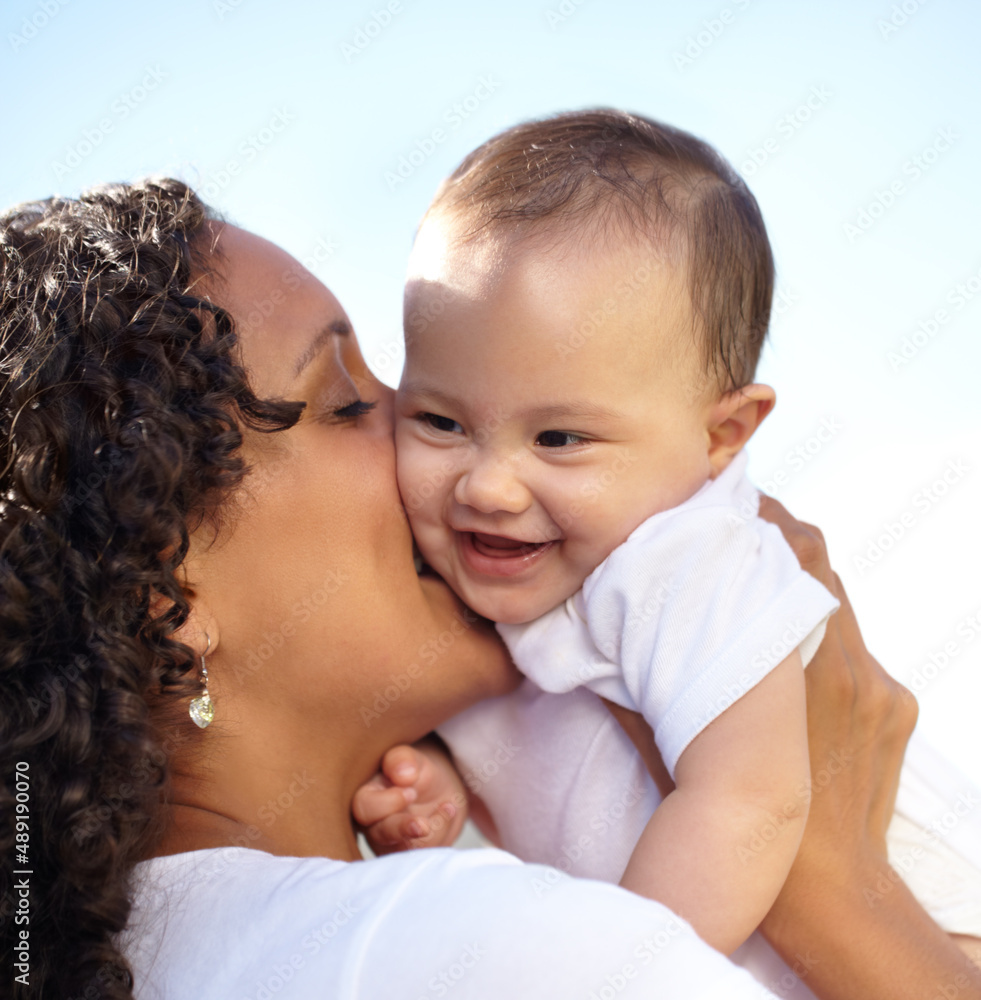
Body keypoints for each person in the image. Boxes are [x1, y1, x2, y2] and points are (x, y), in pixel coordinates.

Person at [0, 178, 977, 1000]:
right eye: (346, 403)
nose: (439, 435)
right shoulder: (483, 952)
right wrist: (844, 897)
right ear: (167, 593)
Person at [391, 109, 840, 953]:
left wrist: (611, 978)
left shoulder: (689, 559)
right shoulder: (493, 567)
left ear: (721, 437)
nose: (485, 486)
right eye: (439, 421)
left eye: (558, 438)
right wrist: (445, 780)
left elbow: (749, 800)